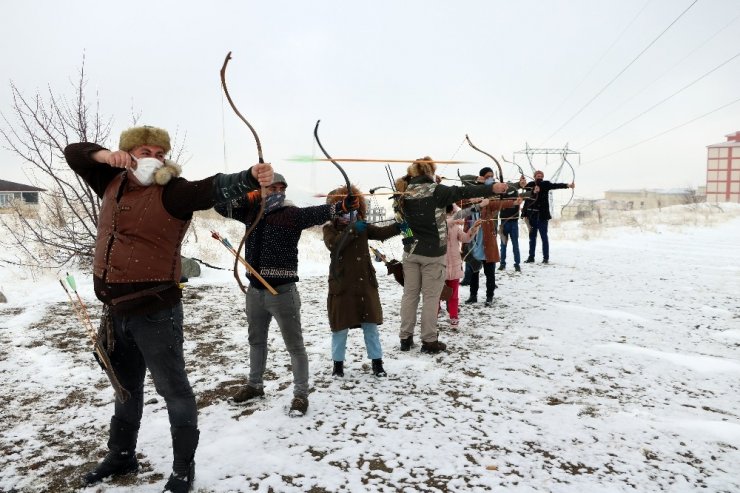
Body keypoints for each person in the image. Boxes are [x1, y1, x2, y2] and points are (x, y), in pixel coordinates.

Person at [65, 125, 273, 492]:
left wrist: (248, 177)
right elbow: (73, 152)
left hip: (156, 312)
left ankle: (182, 470)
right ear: (127, 154)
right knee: (125, 388)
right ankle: (122, 455)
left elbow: (211, 187)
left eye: (160, 153)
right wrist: (102, 156)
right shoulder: (111, 182)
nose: (154, 158)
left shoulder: (173, 191)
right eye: (145, 151)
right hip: (114, 311)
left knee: (174, 391)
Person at [214, 172, 358, 416]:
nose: (277, 191)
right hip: (255, 291)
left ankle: (300, 395)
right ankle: (254, 385)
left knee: (295, 346)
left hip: (282, 292)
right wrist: (247, 194)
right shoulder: (252, 212)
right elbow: (221, 206)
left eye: (281, 188)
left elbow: (315, 213)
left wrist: (341, 205)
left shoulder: (290, 214)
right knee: (256, 341)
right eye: (272, 187)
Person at [393, 157, 511, 354]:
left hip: (411, 253)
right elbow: (464, 191)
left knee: (410, 295)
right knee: (431, 297)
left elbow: (401, 223)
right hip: (433, 254)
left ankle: (405, 338)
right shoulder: (437, 190)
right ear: (430, 172)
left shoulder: (403, 192)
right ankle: (429, 341)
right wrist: (493, 188)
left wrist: (410, 241)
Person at [322, 185, 400, 378]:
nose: (351, 212)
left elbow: (381, 233)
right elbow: (334, 245)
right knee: (340, 328)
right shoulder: (329, 229)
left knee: (370, 326)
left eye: (355, 206)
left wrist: (400, 225)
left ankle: (377, 364)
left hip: (365, 284)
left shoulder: (362, 224)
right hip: (342, 285)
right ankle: (337, 366)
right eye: (347, 207)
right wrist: (351, 229)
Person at [464, 168, 521, 307]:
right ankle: (473, 295)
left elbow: (499, 203)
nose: (491, 178)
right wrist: (474, 194)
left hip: (487, 243)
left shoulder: (489, 201)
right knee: (474, 272)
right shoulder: (470, 197)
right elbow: (463, 182)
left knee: (490, 273)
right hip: (473, 244)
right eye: (488, 176)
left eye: (492, 176)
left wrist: (513, 202)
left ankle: (489, 297)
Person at [441, 204, 481, 329]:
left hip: (454, 264)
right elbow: (441, 226)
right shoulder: (437, 224)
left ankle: (454, 318)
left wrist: (473, 229)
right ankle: (434, 314)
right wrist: (452, 221)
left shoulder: (455, 226)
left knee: (454, 295)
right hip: (439, 265)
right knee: (436, 294)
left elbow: (465, 238)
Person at [522, 170, 575, 264]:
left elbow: (556, 185)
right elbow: (524, 190)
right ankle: (531, 257)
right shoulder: (530, 184)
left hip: (542, 216)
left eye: (541, 175)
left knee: (544, 237)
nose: (539, 176)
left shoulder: (546, 184)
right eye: (537, 175)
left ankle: (545, 258)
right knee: (532, 238)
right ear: (534, 176)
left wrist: (568, 185)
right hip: (532, 216)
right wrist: (529, 187)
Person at [498, 175, 529, 272]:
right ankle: (502, 264)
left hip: (513, 222)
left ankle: (517, 264)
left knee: (515, 244)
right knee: (503, 245)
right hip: (503, 222)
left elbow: (528, 193)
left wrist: (529, 188)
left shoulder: (518, 195)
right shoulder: (501, 195)